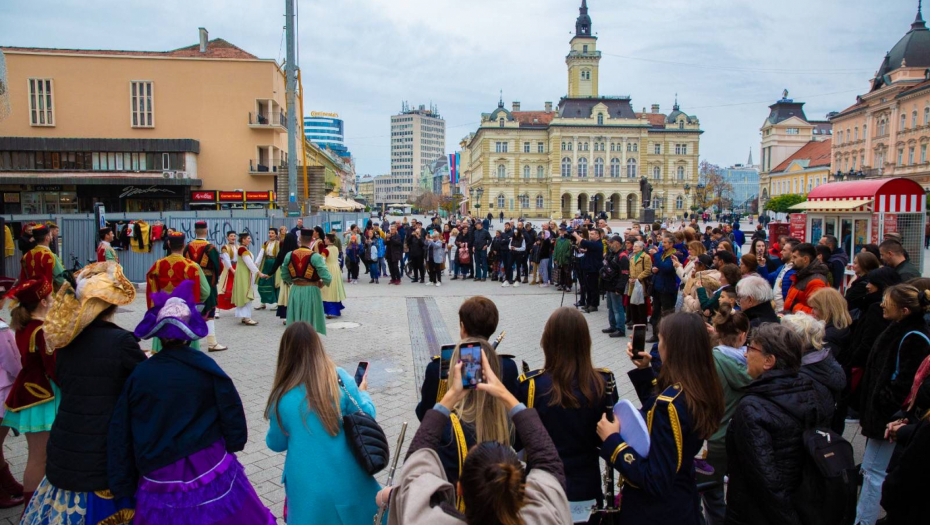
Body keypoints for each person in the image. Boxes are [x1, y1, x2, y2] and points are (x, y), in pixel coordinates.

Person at [108, 281, 275, 524]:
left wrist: (122, 481)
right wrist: (234, 442)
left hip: (158, 465)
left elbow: (121, 427)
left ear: (159, 338)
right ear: (188, 335)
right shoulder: (205, 367)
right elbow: (230, 408)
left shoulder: (141, 375)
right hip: (207, 462)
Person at [385, 348, 572, 525]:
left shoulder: (427, 520)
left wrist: (452, 395)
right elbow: (549, 462)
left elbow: (415, 469)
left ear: (459, 490)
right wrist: (504, 394)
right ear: (521, 492)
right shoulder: (544, 518)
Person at [25, 262, 143, 524]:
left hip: (66, 440)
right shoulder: (122, 342)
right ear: (111, 306)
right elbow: (142, 388)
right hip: (103, 447)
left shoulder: (66, 341)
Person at [597, 312, 724, 525]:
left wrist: (614, 442)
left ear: (674, 348)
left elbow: (655, 479)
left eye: (661, 340)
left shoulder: (671, 405)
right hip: (682, 499)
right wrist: (646, 371)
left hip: (658, 512)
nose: (658, 346)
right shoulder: (702, 385)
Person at [266, 322, 381, 524]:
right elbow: (367, 413)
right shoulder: (338, 377)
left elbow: (276, 443)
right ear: (317, 346)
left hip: (305, 483)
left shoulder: (281, 395)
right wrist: (363, 392)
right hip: (347, 474)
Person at [519, 308, 617, 505]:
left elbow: (517, 441)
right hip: (586, 485)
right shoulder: (602, 382)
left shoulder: (531, 386)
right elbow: (608, 437)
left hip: (542, 489)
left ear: (548, 341)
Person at [724, 323, 820, 525]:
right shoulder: (807, 391)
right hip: (798, 497)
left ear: (769, 361)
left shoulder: (753, 408)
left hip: (755, 512)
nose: (745, 355)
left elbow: (764, 478)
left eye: (751, 349)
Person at [855, 284, 930, 525]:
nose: (882, 304)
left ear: (905, 310)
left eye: (888, 301)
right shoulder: (900, 328)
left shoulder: (913, 335)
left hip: (888, 416)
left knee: (873, 472)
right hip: (887, 415)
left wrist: (884, 406)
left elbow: (905, 382)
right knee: (872, 470)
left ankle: (864, 521)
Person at [416, 297, 518, 420]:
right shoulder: (508, 366)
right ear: (493, 327)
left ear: (462, 327)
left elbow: (425, 414)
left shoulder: (437, 367)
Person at [2, 279, 55, 512]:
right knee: (38, 458)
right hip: (42, 397)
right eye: (50, 298)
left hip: (31, 393)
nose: (53, 301)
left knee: (39, 456)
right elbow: (54, 369)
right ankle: (31, 511)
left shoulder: (26, 325)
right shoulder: (41, 330)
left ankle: (36, 506)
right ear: (43, 302)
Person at [699, 306, 752, 525]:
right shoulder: (753, 366)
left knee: (707, 492)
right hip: (735, 438)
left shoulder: (709, 362)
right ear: (742, 336)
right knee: (726, 493)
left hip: (710, 439)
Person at [145, 231, 211, 352]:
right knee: (189, 350)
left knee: (162, 351)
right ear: (184, 244)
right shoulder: (192, 266)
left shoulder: (158, 265)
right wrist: (195, 302)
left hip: (163, 313)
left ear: (169, 244)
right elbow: (206, 291)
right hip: (185, 313)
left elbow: (151, 289)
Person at [781, 312, 846, 427]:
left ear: (800, 342)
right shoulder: (819, 361)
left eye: (785, 336)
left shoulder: (806, 375)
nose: (780, 340)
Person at [183, 221, 227, 351]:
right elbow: (218, 266)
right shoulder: (211, 248)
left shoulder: (187, 247)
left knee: (191, 310)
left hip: (191, 282)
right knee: (210, 310)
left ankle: (189, 341)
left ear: (195, 231)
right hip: (208, 281)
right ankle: (212, 342)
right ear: (206, 231)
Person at [280, 229, 332, 334]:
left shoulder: (289, 255)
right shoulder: (315, 257)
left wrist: (294, 281)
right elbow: (327, 277)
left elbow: (284, 275)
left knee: (295, 319)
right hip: (312, 290)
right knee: (311, 320)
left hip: (295, 290)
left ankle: (296, 342)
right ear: (312, 240)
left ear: (299, 238)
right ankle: (310, 342)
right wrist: (321, 283)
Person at [783, 242, 829, 314]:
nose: (792, 260)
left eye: (795, 257)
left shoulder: (816, 281)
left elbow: (818, 313)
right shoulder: (801, 275)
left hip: (805, 324)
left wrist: (793, 306)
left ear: (805, 259)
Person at [648, 234, 679, 337]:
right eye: (662, 242)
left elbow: (666, 268)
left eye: (665, 242)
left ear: (671, 244)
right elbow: (659, 265)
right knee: (655, 311)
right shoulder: (662, 253)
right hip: (658, 287)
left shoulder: (675, 255)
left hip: (667, 289)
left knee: (666, 313)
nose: (662, 244)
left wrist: (656, 255)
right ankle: (655, 334)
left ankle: (666, 335)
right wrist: (654, 269)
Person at [17, 226, 64, 291]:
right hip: (47, 296)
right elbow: (61, 279)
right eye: (50, 234)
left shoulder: (26, 255)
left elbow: (23, 278)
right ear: (47, 238)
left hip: (32, 294)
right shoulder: (50, 256)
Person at [232, 232, 263, 326]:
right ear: (243, 239)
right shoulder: (242, 249)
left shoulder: (243, 249)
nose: (250, 240)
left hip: (243, 273)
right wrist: (258, 272)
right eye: (248, 238)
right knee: (246, 293)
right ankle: (247, 317)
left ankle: (244, 316)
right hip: (244, 274)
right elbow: (249, 263)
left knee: (244, 293)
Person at [268, 231, 299, 324]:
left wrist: (269, 274)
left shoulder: (283, 251)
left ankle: (287, 317)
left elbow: (276, 263)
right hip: (296, 279)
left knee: (286, 297)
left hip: (285, 278)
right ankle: (296, 316)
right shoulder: (297, 252)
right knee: (295, 297)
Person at [602, 235, 630, 337]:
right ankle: (612, 326)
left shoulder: (623, 257)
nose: (609, 245)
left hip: (616, 287)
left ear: (617, 243)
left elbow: (624, 274)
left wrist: (620, 288)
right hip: (609, 285)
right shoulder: (612, 254)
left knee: (618, 308)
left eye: (611, 243)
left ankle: (620, 329)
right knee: (610, 307)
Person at [768, 237, 799, 312]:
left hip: (786, 313)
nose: (781, 252)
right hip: (777, 311)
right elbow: (767, 278)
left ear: (792, 253)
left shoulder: (795, 272)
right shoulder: (781, 268)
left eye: (784, 250)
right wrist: (761, 266)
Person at [321, 234, 346, 319]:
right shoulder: (335, 248)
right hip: (336, 269)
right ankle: (336, 308)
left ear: (328, 240)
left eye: (325, 238)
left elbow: (322, 261)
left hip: (329, 269)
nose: (324, 240)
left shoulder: (325, 250)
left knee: (327, 290)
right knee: (334, 288)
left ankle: (330, 311)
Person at [628, 240, 653, 326]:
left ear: (641, 248)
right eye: (634, 246)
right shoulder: (632, 257)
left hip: (641, 284)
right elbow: (630, 270)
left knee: (641, 305)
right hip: (632, 284)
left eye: (636, 246)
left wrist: (638, 278)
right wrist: (630, 278)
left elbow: (648, 270)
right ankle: (635, 323)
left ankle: (642, 324)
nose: (633, 248)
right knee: (633, 304)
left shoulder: (646, 257)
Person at [256, 227, 280, 310]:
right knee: (262, 281)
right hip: (266, 263)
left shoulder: (278, 243)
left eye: (272, 233)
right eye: (269, 233)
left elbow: (280, 255)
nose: (270, 234)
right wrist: (256, 263)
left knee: (274, 283)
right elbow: (261, 253)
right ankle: (263, 302)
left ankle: (277, 302)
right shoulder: (266, 243)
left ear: (276, 234)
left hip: (274, 264)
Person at [216, 231, 238, 311]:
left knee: (236, 288)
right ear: (227, 237)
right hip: (228, 269)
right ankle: (217, 309)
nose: (233, 237)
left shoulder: (238, 247)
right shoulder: (225, 247)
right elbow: (226, 260)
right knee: (223, 288)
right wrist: (232, 270)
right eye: (231, 236)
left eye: (234, 236)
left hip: (237, 267)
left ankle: (238, 308)